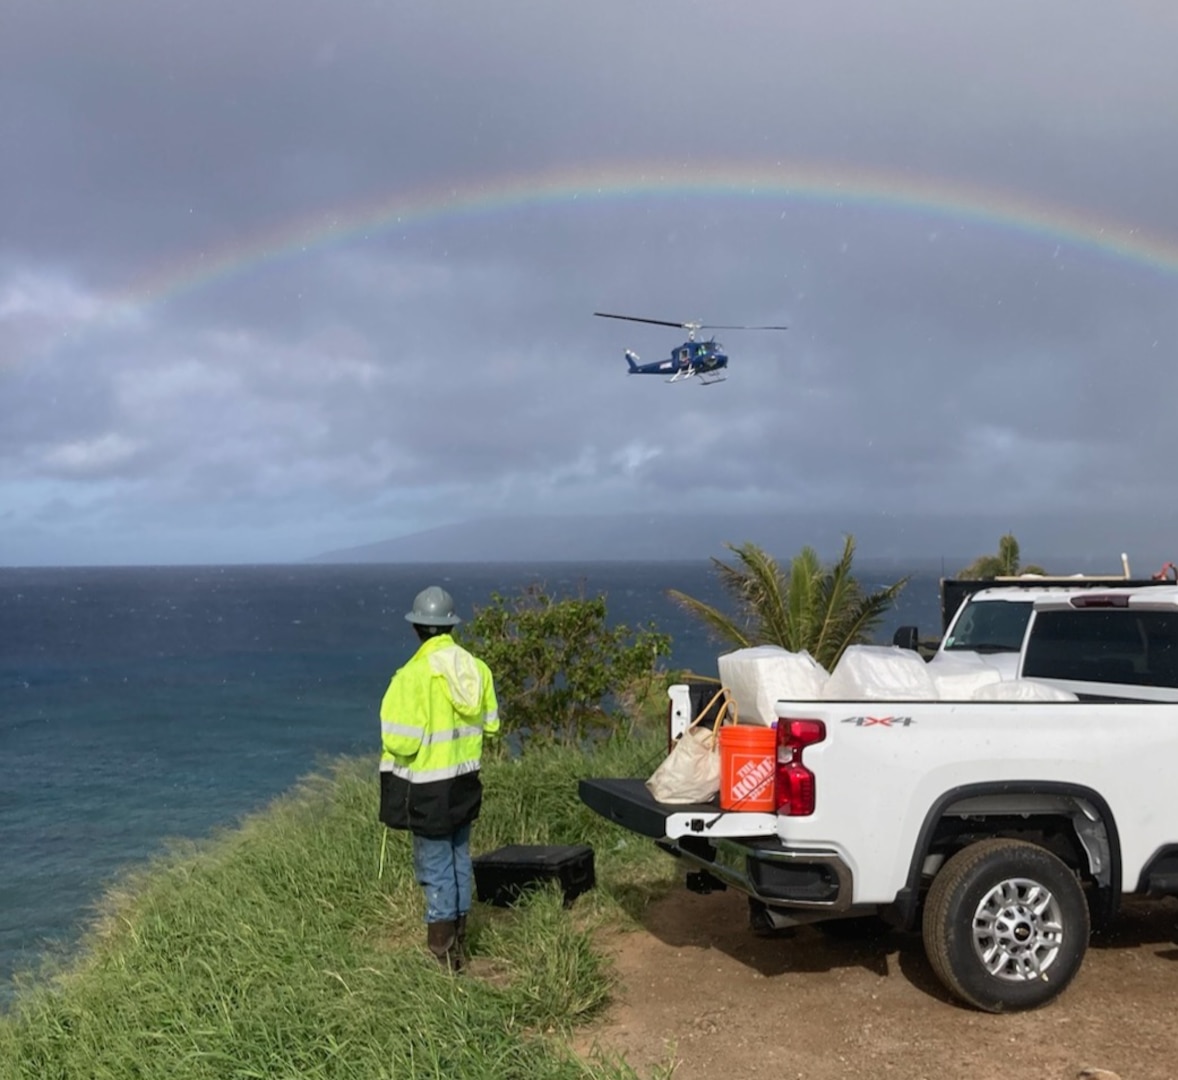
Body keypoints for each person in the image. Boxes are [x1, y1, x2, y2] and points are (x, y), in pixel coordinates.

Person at [378, 585, 500, 970]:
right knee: (459, 858)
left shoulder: (412, 676)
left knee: (435, 867)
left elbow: (399, 741)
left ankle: (443, 955)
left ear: (417, 628)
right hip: (465, 781)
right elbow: (492, 726)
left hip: (427, 787)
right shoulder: (477, 669)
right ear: (450, 627)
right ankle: (461, 941)